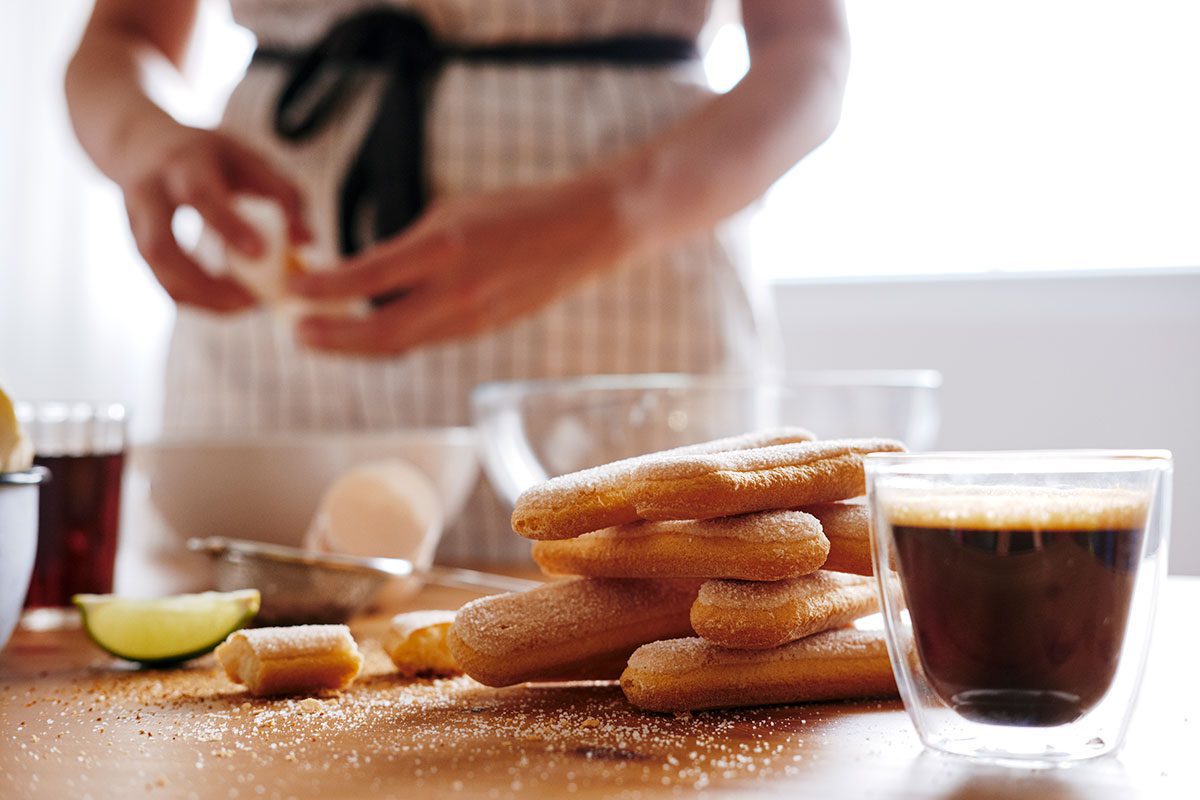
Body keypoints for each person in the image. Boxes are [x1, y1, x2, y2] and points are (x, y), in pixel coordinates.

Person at [66, 0, 849, 561]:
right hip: (273, 343)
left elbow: (808, 53)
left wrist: (603, 215)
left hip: (627, 304)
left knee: (648, 647)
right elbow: (120, 37)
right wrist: (147, 143)